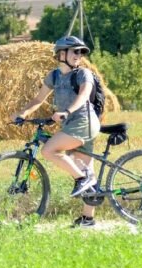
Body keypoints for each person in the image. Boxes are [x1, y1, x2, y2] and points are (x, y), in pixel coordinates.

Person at [10, 36, 101, 227]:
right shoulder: (54, 76)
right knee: (83, 167)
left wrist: (66, 111)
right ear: (61, 54)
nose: (79, 55)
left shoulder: (84, 74)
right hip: (72, 125)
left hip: (84, 122)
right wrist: (23, 114)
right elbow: (38, 99)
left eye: (81, 52)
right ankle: (88, 218)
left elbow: (84, 95)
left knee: (49, 150)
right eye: (75, 51)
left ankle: (81, 180)